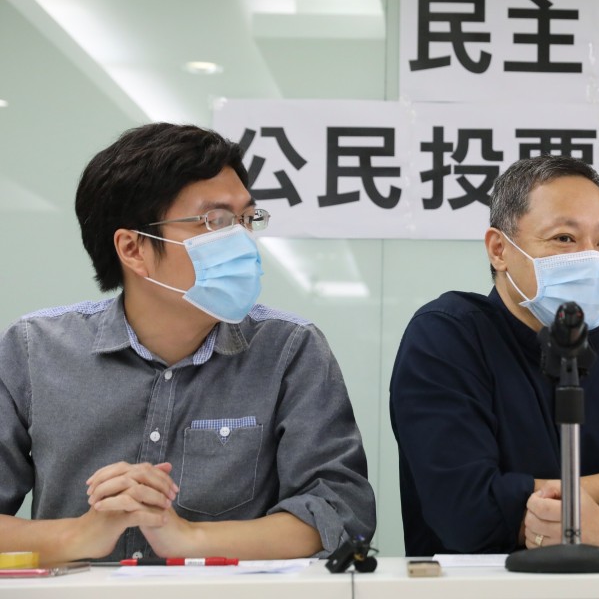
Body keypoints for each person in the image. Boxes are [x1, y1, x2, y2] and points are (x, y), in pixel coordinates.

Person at [0, 123, 375, 564]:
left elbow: (338, 511)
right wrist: (80, 536)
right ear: (133, 248)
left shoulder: (290, 350)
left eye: (246, 219)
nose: (241, 240)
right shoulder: (33, 350)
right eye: (214, 221)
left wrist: (188, 538)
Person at [390, 155, 599, 556]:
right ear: (499, 249)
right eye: (564, 238)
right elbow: (466, 513)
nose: (590, 257)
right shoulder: (447, 336)